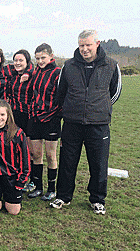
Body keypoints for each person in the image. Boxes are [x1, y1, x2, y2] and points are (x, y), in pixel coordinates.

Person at [51, 29, 122, 215]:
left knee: (98, 164)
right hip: (72, 123)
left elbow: (114, 93)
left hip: (98, 124)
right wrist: (73, 108)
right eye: (81, 45)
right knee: (67, 162)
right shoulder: (69, 66)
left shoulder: (111, 65)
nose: (84, 49)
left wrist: (98, 107)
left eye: (88, 45)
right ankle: (63, 196)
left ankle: (97, 200)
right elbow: (61, 93)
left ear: (97, 44)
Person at [25, 44, 61, 201]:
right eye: (37, 58)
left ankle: (51, 189)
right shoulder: (36, 72)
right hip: (35, 118)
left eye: (43, 58)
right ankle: (38, 187)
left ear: (51, 56)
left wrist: (54, 114)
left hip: (51, 119)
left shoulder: (58, 73)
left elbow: (61, 97)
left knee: (50, 155)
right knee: (36, 154)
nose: (40, 61)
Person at [0, 99, 31, 215]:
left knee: (14, 211)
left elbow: (25, 159)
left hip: (11, 177)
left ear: (8, 115)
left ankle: (9, 197)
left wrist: (21, 181)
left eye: (2, 115)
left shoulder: (17, 133)